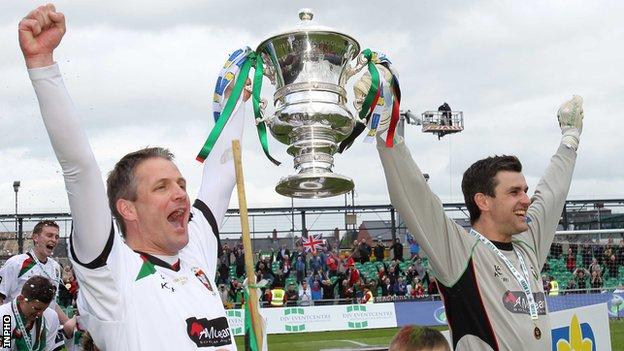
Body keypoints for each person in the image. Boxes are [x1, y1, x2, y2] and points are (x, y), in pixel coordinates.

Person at [20, 4, 247, 349]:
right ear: (127, 208)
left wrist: (239, 101)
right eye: (162, 186)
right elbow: (79, 170)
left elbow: (224, 171)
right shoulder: (112, 273)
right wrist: (42, 65)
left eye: (182, 184)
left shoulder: (197, 249)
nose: (182, 194)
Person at [357, 64, 583, 349]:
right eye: (514, 192)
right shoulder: (460, 252)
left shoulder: (527, 247)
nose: (526, 199)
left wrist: (570, 140)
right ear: (483, 201)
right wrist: (387, 128)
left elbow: (551, 194)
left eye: (525, 190)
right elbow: (415, 196)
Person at [0, 220, 74, 338]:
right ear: (35, 238)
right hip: (14, 329)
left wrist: (68, 324)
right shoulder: (16, 263)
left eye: (56, 236)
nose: (54, 240)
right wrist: (5, 329)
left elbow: (52, 303)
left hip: (41, 332)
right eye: (49, 235)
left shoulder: (55, 267)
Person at [0, 275, 64, 351]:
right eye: (37, 309)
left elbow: (50, 349)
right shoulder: (5, 317)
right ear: (21, 299)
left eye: (44, 309)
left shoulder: (51, 316)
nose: (40, 313)